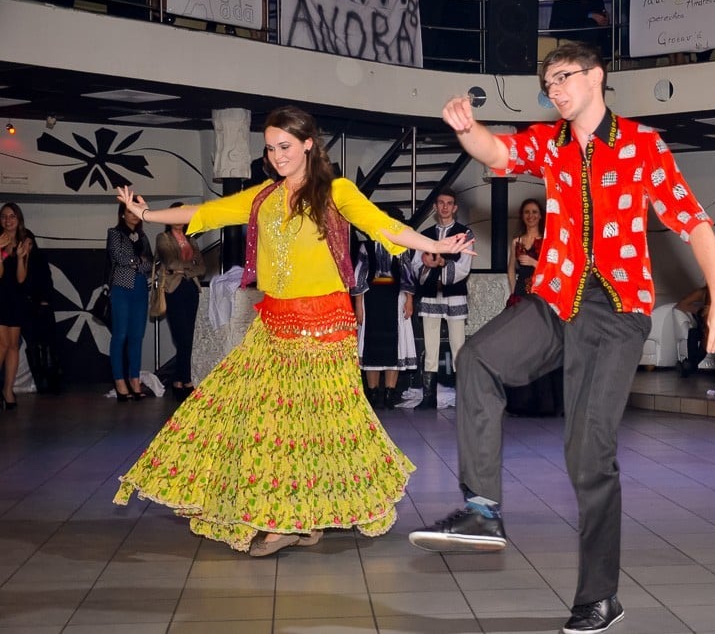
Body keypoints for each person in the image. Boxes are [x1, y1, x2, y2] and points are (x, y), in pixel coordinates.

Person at [408, 42, 715, 634]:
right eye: (547, 83)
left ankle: (600, 596)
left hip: (616, 312)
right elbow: (499, 151)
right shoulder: (550, 143)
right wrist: (467, 129)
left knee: (588, 455)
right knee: (477, 358)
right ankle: (482, 509)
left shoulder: (641, 144)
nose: (554, 89)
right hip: (557, 297)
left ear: (596, 76)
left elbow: (692, 220)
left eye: (563, 77)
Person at [113, 105, 474, 557]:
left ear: (307, 144)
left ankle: (290, 520)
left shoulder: (335, 191)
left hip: (323, 328)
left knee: (308, 428)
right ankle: (300, 517)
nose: (277, 155)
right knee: (258, 419)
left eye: (285, 146)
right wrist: (146, 215)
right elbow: (207, 212)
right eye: (270, 148)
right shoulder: (264, 196)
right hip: (274, 325)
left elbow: (385, 227)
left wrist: (435, 243)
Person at [411, 188, 474, 410]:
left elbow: (464, 267)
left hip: (454, 294)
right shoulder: (425, 234)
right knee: (430, 346)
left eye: (449, 203)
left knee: (458, 346)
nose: (445, 207)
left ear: (454, 207)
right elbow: (416, 264)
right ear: (435, 207)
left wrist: (443, 264)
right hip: (430, 294)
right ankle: (429, 398)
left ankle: (463, 398)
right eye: (441, 203)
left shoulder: (464, 234)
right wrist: (426, 265)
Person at [351, 210, 418, 410]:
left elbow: (407, 274)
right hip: (372, 299)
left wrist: (409, 300)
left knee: (394, 345)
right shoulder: (366, 246)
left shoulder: (400, 247)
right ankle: (372, 392)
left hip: (395, 299)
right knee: (372, 344)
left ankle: (390, 392)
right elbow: (359, 276)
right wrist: (358, 305)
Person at [504, 198, 562, 416]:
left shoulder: (547, 241)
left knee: (542, 347)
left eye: (535, 212)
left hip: (541, 295)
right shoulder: (516, 241)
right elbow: (511, 268)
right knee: (521, 348)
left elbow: (555, 269)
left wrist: (535, 263)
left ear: (540, 216)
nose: (531, 216)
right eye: (527, 212)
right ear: (522, 215)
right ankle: (521, 402)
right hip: (521, 297)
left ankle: (546, 402)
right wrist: (513, 290)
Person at [154, 207, 206, 398]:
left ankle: (179, 380)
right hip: (173, 289)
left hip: (190, 288)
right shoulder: (163, 238)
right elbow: (170, 262)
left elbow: (201, 267)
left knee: (189, 336)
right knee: (181, 335)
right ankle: (185, 379)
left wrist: (185, 270)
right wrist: (187, 266)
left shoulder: (192, 240)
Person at [107, 201, 154, 402]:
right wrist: (139, 261)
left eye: (136, 211)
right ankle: (119, 380)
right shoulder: (115, 233)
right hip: (121, 287)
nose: (134, 214)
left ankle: (135, 379)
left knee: (137, 336)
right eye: (129, 211)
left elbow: (151, 262)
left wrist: (137, 262)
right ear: (122, 214)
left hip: (140, 287)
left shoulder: (143, 236)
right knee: (120, 335)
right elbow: (118, 257)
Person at [22, 230, 62, 394]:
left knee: (47, 344)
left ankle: (51, 380)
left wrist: (44, 301)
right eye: (24, 244)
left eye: (30, 244)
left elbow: (47, 282)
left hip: (41, 307)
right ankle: (40, 380)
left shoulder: (39, 259)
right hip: (25, 308)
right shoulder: (15, 260)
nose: (28, 247)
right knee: (32, 346)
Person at [0, 202, 31, 409]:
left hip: (15, 297)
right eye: (4, 216)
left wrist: (20, 258)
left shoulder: (23, 241)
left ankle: (8, 390)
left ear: (18, 219)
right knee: (2, 345)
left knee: (13, 345)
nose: (8, 220)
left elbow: (21, 278)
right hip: (0, 296)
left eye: (12, 216)